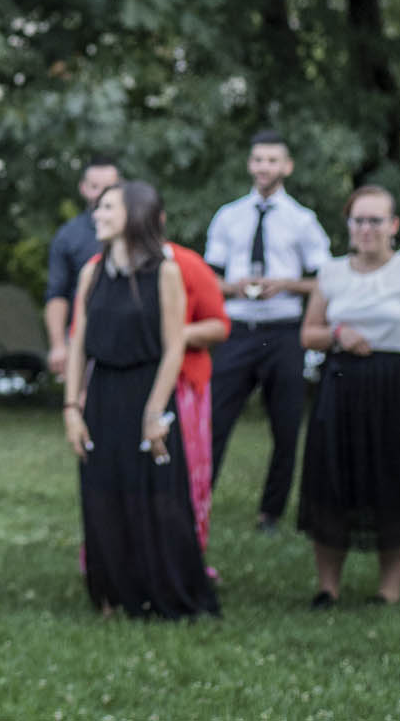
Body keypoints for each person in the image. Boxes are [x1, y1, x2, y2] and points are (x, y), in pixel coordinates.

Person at [64, 182, 219, 619]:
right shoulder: (92, 273)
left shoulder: (165, 272)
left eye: (108, 207)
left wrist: (154, 412)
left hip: (148, 390)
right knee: (102, 493)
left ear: (134, 215)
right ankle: (111, 592)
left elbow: (173, 347)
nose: (97, 214)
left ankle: (163, 591)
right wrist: (72, 408)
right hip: (102, 393)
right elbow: (78, 346)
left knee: (154, 495)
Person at [298, 185, 400, 606]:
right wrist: (338, 333)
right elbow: (308, 334)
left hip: (396, 389)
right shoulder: (331, 273)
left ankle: (388, 589)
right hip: (340, 388)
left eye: (375, 220)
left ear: (393, 225)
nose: (366, 228)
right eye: (358, 220)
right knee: (331, 482)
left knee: (394, 482)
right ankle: (328, 586)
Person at [203, 130, 332, 533]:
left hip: (284, 332)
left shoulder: (302, 220)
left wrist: (286, 284)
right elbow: (210, 278)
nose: (264, 167)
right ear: (250, 164)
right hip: (238, 329)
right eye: (258, 159)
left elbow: (326, 280)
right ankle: (197, 500)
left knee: (286, 426)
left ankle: (270, 514)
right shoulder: (228, 216)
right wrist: (234, 287)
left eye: (272, 160)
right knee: (214, 421)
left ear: (286, 167)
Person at [163, 224, 229, 553]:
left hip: (183, 384)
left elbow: (219, 324)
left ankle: (183, 555)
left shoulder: (186, 264)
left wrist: (178, 334)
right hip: (118, 387)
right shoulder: (98, 268)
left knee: (181, 473)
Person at [44, 156, 122, 380]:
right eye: (95, 187)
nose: (102, 194)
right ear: (83, 188)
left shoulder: (136, 230)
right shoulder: (69, 236)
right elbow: (56, 294)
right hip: (84, 337)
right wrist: (58, 345)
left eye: (109, 187)